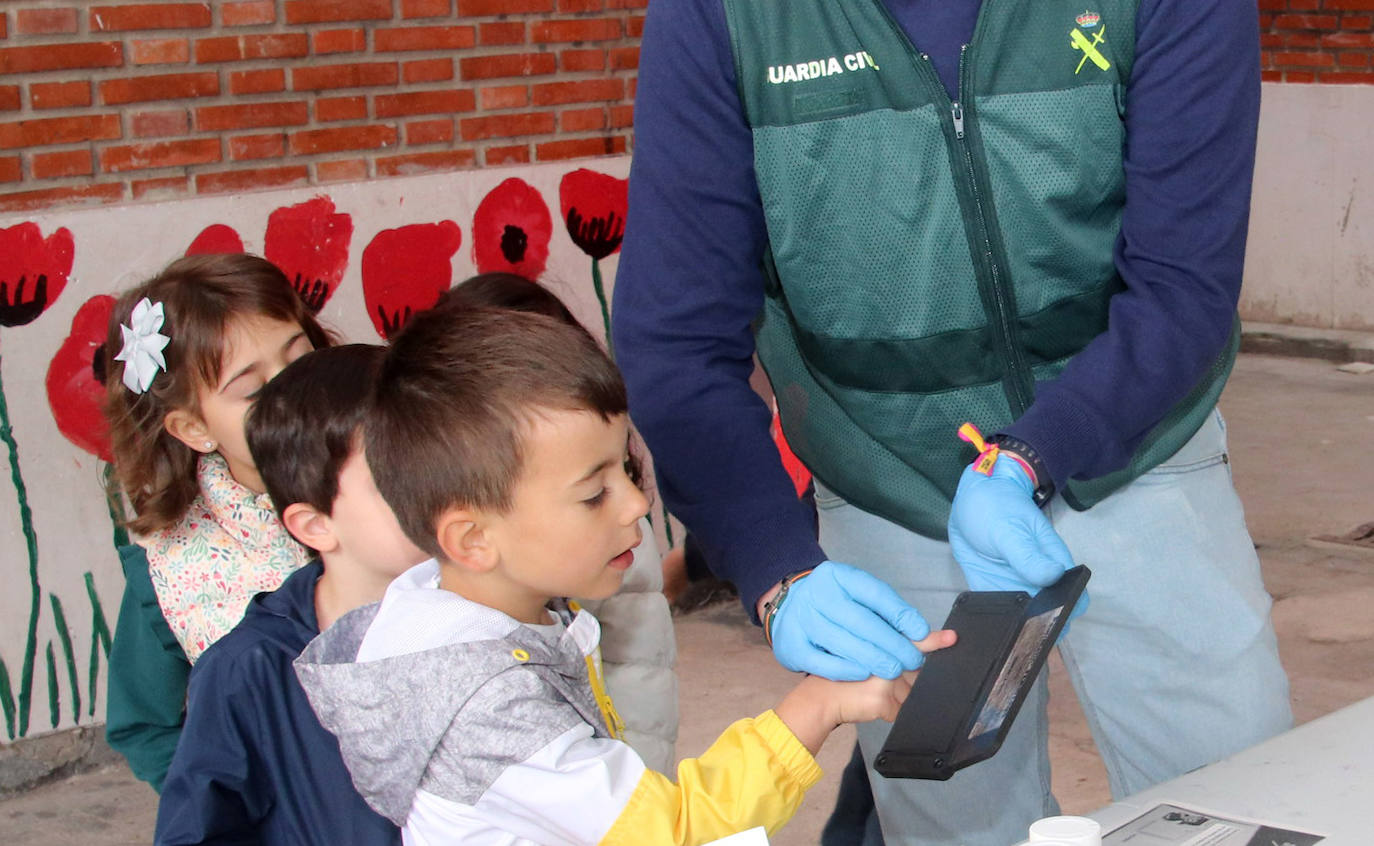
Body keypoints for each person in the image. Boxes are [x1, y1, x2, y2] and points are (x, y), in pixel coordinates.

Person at [613, 1, 1293, 844]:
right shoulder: (724, 16)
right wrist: (778, 566)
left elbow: (1184, 285)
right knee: (955, 827)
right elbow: (675, 338)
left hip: (1136, 446)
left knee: (1235, 804)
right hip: (887, 480)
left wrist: (1036, 453)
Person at [292, 304, 955, 844]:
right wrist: (814, 708)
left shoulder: (453, 617)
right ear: (472, 539)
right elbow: (669, 831)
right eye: (593, 492)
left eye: (626, 470)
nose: (638, 504)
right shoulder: (489, 713)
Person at [154, 344, 425, 844]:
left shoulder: (506, 613)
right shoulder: (247, 671)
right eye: (397, 477)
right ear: (316, 525)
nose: (441, 491)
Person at [102, 253, 331, 791]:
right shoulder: (166, 567)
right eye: (251, 388)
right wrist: (226, 809)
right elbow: (147, 728)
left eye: (300, 357)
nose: (294, 390)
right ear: (193, 427)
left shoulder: (406, 478)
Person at [439, 271, 680, 772]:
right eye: (594, 492)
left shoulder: (608, 531)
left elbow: (636, 657)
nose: (637, 505)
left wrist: (640, 778)